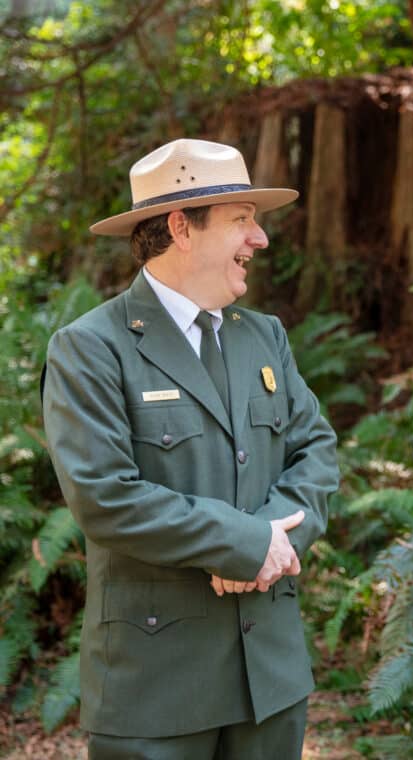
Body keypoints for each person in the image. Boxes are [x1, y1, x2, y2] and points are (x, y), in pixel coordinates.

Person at [41, 138, 339, 759]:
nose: (259, 239)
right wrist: (243, 543)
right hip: (156, 688)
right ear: (181, 227)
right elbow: (104, 497)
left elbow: (316, 452)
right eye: (242, 219)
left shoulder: (265, 336)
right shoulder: (91, 347)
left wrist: (272, 545)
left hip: (270, 678)